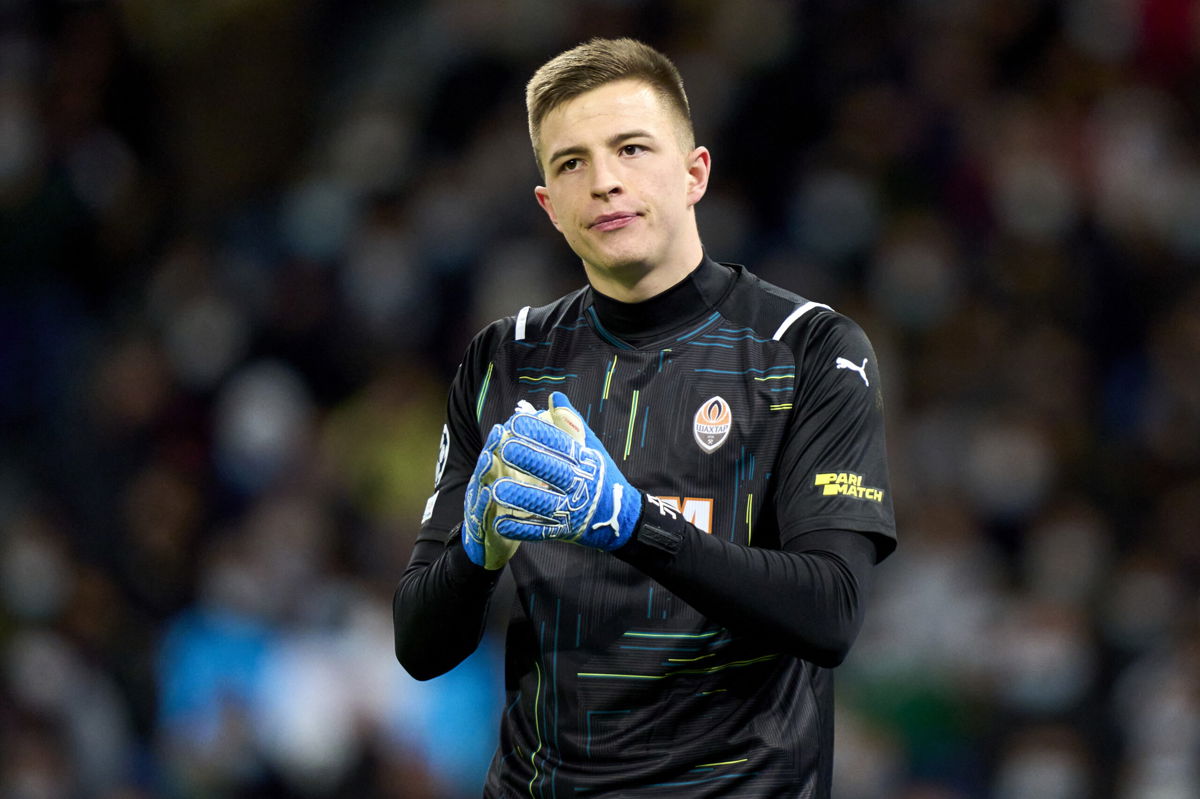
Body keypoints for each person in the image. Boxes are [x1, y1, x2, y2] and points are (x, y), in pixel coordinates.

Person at [394, 37, 896, 798]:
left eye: (631, 148)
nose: (604, 182)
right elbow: (420, 644)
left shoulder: (809, 349)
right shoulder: (505, 359)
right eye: (571, 163)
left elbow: (830, 612)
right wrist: (475, 552)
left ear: (694, 172)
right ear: (549, 207)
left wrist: (632, 521)